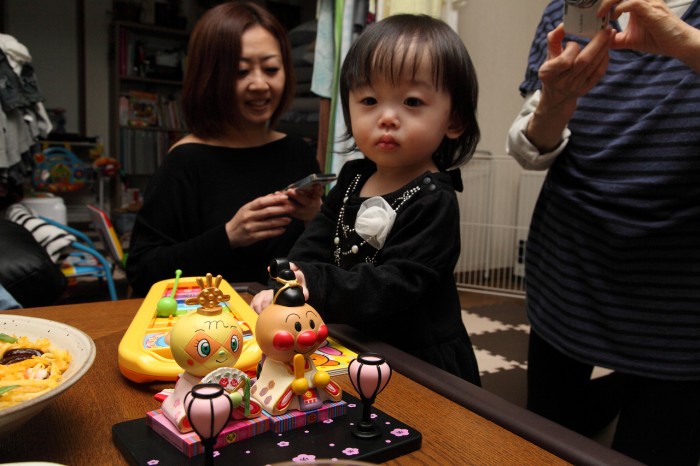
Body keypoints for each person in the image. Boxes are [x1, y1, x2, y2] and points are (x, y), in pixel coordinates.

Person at [506, 1, 700, 464]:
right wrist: (555, 103)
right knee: (546, 437)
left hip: (679, 293)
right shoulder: (570, 8)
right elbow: (530, 146)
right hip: (569, 263)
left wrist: (686, 46)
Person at [252, 14, 482, 385]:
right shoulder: (353, 177)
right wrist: (290, 280)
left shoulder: (434, 199)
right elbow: (316, 241)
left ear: (453, 120)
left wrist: (316, 283)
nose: (387, 117)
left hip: (418, 359)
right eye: (370, 100)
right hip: (355, 340)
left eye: (412, 101)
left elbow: (393, 286)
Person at [126, 2, 323, 296]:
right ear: (209, 75)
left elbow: (323, 261)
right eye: (241, 71)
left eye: (271, 69)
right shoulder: (185, 160)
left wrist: (315, 217)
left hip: (286, 318)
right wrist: (229, 236)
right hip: (208, 320)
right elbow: (142, 271)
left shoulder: (297, 152)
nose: (260, 84)